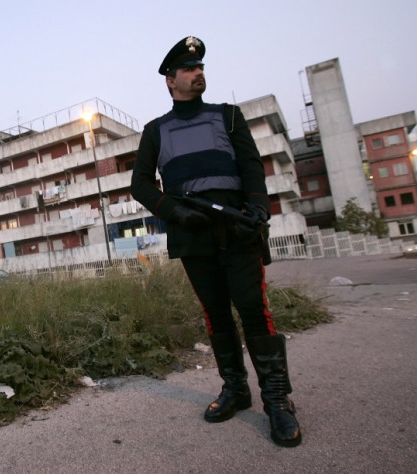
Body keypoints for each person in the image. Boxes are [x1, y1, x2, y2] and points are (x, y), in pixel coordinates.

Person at [130, 36, 301, 447]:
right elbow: (140, 185)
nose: (198, 72)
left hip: (238, 229)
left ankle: (277, 400)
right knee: (216, 315)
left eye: (200, 67)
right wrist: (175, 212)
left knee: (254, 311)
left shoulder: (228, 117)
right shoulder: (156, 131)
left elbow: (250, 167)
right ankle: (235, 389)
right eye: (189, 69)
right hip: (192, 235)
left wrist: (259, 209)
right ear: (171, 81)